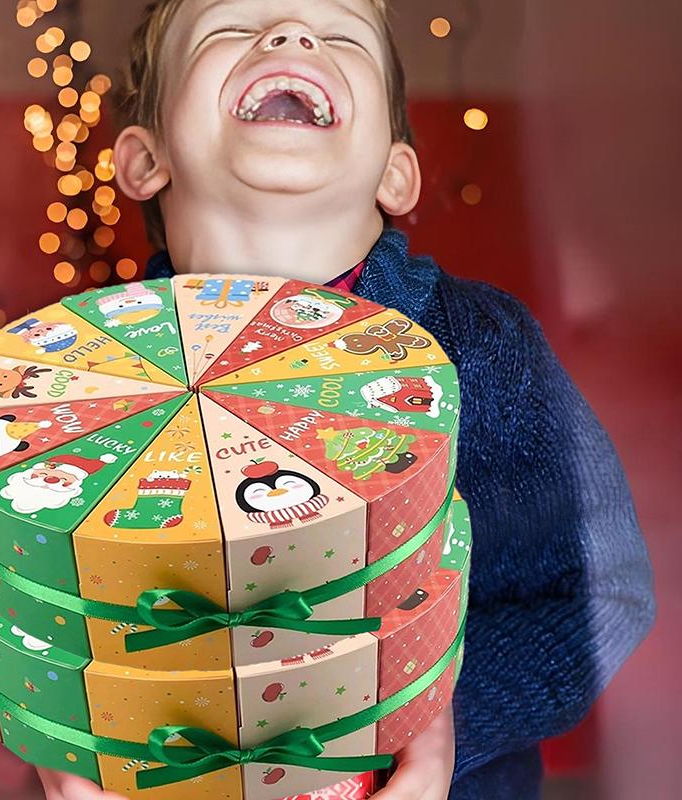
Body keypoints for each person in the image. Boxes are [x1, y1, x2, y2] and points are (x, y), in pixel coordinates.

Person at [39, 1, 655, 798]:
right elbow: (44, 609)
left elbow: (602, 593)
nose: (290, 34)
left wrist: (430, 724)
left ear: (396, 173)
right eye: (232, 27)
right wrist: (63, 744)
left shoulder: (482, 347)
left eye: (338, 35)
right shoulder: (83, 375)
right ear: (143, 160)